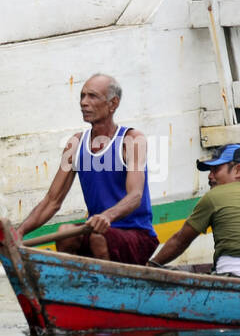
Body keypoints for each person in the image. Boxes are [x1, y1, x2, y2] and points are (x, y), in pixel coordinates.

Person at [16, 74, 160, 264]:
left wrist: (107, 216)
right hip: (96, 232)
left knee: (98, 238)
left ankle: (109, 289)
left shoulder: (132, 140)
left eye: (92, 96)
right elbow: (52, 201)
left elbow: (135, 196)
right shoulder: (75, 144)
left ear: (113, 104)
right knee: (65, 232)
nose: (84, 102)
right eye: (82, 96)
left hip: (137, 235)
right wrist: (18, 233)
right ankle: (74, 288)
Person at [147, 144, 240, 281]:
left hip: (232, 279)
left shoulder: (215, 196)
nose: (210, 176)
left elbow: (180, 241)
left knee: (166, 274)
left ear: (238, 170)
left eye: (216, 170)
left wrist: (151, 265)